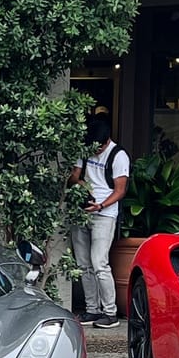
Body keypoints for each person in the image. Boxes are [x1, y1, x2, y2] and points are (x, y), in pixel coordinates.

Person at [68, 115, 130, 328]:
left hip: (105, 213)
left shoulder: (118, 155)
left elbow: (120, 190)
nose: (96, 151)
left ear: (107, 140)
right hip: (82, 210)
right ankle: (92, 310)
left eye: (100, 147)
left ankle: (110, 313)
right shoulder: (85, 148)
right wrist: (85, 187)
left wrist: (101, 205)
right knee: (83, 264)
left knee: (99, 263)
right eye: (94, 147)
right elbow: (74, 176)